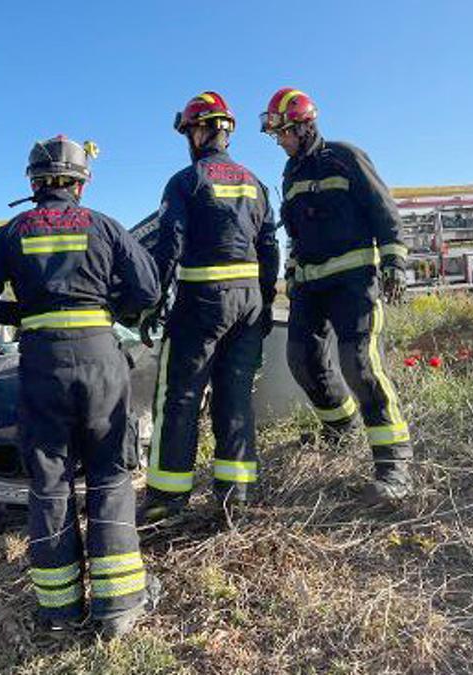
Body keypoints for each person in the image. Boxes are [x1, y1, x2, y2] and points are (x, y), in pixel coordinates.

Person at [0, 135, 162, 638]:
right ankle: (118, 608)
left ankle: (59, 612)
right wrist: (110, 308)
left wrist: (22, 313)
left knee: (49, 483)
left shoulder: (13, 231)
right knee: (110, 472)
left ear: (33, 181)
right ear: (81, 182)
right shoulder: (105, 226)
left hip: (41, 359)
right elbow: (149, 290)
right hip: (98, 355)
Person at [260, 87, 414, 505]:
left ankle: (394, 465)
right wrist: (291, 278)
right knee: (302, 362)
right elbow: (294, 233)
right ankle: (341, 431)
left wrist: (394, 262)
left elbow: (386, 212)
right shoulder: (291, 175)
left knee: (359, 365)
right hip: (310, 287)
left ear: (305, 126)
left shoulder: (346, 157)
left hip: (353, 284)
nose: (281, 143)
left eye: (285, 134)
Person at [138, 91, 279, 523]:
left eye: (189, 130)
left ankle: (167, 499)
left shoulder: (185, 181)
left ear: (200, 130)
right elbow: (269, 247)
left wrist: (151, 301)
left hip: (201, 304)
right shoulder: (254, 182)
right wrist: (266, 302)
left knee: (179, 397)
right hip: (249, 305)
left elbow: (169, 245)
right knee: (235, 397)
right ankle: (235, 496)